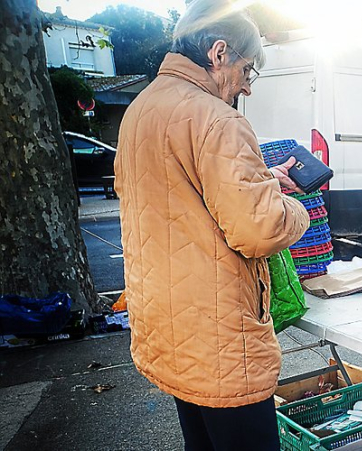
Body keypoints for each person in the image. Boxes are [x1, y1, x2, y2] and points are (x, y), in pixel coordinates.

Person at [114, 0, 309, 449]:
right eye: (247, 71)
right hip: (220, 339)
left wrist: (264, 185)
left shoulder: (140, 110)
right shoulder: (218, 119)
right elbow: (261, 230)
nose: (247, 86)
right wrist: (291, 207)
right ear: (219, 53)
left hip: (170, 327)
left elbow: (183, 202)